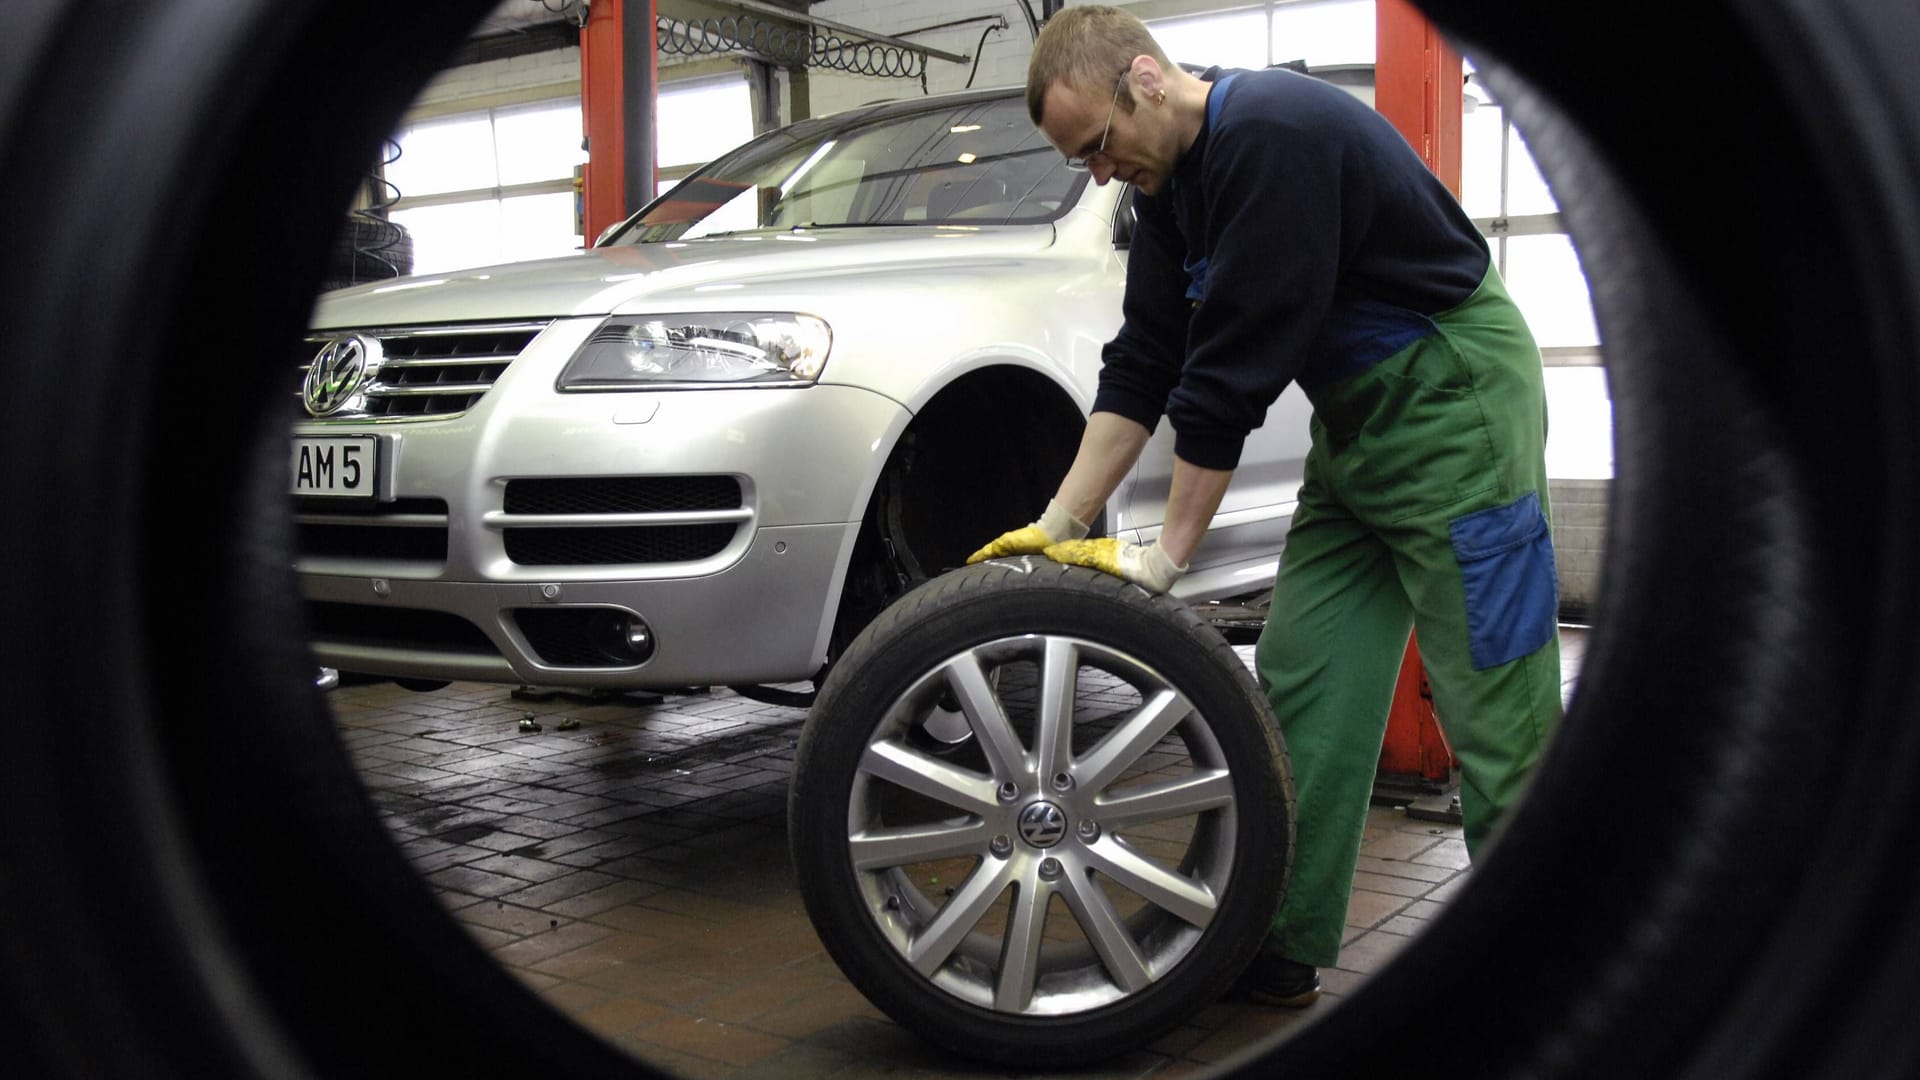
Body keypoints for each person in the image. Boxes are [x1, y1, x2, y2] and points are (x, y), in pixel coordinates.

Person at [970, 5, 1563, 1007]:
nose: (1102, 173)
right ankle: (1280, 939)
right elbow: (1149, 356)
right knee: (1306, 678)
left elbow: (1235, 367)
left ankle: (1559, 961)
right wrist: (1061, 519)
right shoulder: (1170, 189)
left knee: (1494, 702)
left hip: (1454, 403)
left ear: (1148, 80)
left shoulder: (1272, 135)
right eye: (1086, 162)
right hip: (1360, 428)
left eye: (1102, 145)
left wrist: (1168, 557)